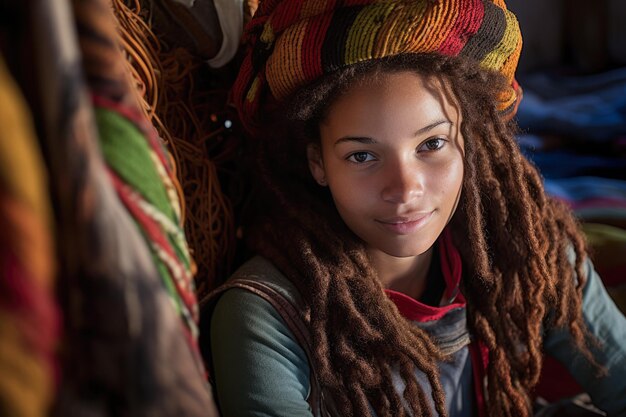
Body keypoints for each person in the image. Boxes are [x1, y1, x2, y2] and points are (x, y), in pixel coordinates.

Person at [200, 1, 626, 416]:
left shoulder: (531, 256)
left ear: (467, 140)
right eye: (362, 156)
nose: (405, 189)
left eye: (431, 144)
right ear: (318, 163)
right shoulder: (265, 317)